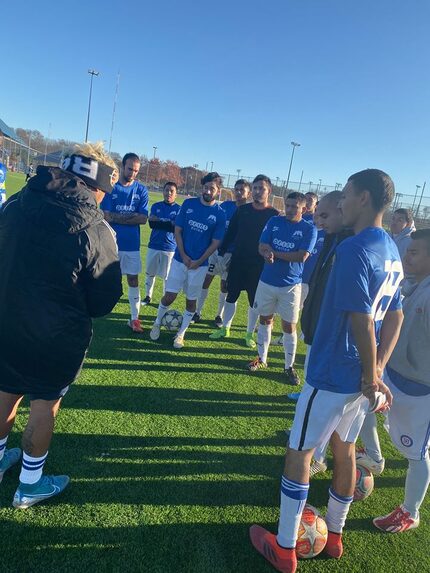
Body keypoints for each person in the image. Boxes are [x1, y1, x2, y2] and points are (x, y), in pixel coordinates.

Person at [249, 169, 404, 573]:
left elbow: (361, 319)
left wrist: (373, 375)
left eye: (348, 195)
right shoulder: (390, 247)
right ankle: (334, 536)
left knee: (299, 453)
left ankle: (284, 548)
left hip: (334, 372)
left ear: (365, 199)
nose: (340, 203)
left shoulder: (356, 248)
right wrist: (377, 370)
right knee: (345, 450)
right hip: (357, 378)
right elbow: (396, 315)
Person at [0, 142, 122, 508]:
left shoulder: (16, 202)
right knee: (44, 405)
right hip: (55, 336)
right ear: (95, 185)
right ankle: (30, 484)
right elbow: (102, 301)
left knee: (5, 392)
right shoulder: (97, 228)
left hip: (5, 320)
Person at [373, 229, 430, 534]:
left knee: (416, 453)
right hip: (393, 375)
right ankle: (372, 458)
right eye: (407, 251)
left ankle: (411, 511)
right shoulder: (412, 284)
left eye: (414, 252)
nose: (406, 255)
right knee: (365, 411)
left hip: (421, 390)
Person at [149, 172, 226, 349]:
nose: (208, 191)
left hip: (200, 265)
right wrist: (183, 255)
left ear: (218, 191)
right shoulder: (189, 204)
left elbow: (215, 242)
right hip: (179, 260)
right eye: (205, 187)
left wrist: (199, 261)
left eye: (212, 188)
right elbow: (178, 230)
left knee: (191, 302)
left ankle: (181, 334)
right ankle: (157, 323)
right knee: (169, 296)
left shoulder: (219, 214)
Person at [247, 192, 317, 386]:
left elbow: (301, 256)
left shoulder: (309, 229)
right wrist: (265, 252)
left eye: (295, 206)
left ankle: (289, 366)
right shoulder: (274, 221)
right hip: (267, 281)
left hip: (291, 285)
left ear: (304, 208)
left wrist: (274, 253)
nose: (290, 209)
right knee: (265, 319)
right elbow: (262, 244)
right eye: (288, 205)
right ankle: (262, 359)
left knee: (289, 326)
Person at [209, 175, 279, 348]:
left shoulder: (274, 215)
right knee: (231, 295)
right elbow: (231, 232)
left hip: (258, 265)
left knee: (253, 301)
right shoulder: (243, 210)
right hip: (238, 260)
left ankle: (249, 333)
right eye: (255, 188)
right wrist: (222, 251)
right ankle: (225, 328)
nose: (257, 191)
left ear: (269, 191)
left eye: (261, 188)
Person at [101, 153, 148, 333]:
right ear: (122, 166)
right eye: (130, 169)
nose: (133, 173)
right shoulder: (111, 188)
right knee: (104, 277)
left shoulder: (141, 190)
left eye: (136, 171)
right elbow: (105, 216)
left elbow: (143, 218)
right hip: (110, 242)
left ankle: (135, 319)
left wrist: (117, 218)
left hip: (131, 245)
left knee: (133, 280)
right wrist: (130, 217)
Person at [194, 179, 251, 326]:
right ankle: (197, 312)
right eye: (236, 189)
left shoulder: (249, 211)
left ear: (248, 193)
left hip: (232, 255)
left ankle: (219, 316)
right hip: (216, 250)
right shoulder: (225, 206)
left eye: (242, 190)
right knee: (206, 280)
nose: (238, 193)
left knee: (225, 286)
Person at [143, 181, 181, 305]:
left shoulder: (179, 209)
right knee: (150, 273)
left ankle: (165, 299)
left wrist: (160, 222)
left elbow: (174, 228)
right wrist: (169, 222)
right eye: (166, 190)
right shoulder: (155, 206)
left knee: (167, 277)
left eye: (172, 191)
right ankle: (148, 296)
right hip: (154, 245)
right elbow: (151, 224)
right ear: (163, 191)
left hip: (170, 247)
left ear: (176, 194)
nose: (168, 193)